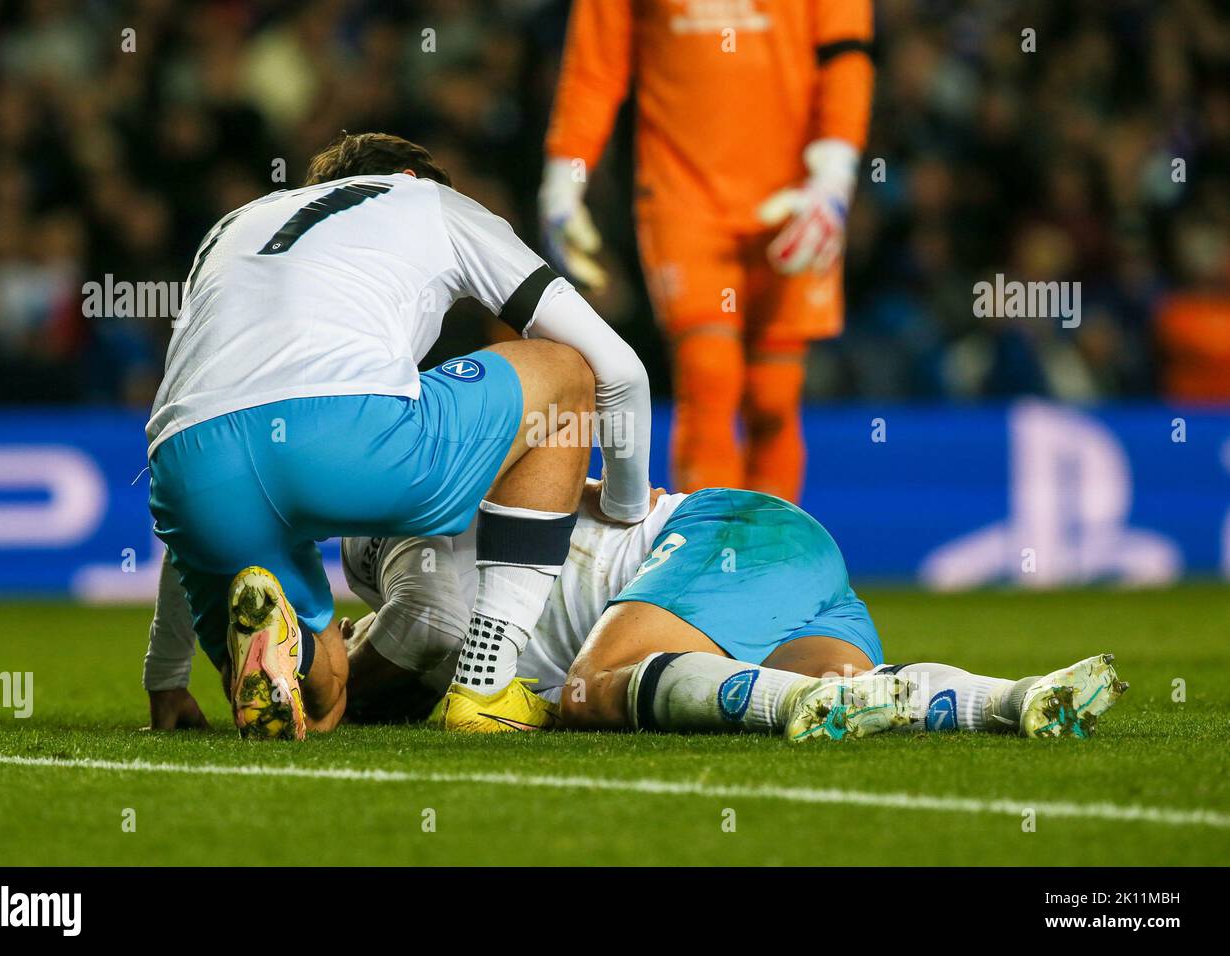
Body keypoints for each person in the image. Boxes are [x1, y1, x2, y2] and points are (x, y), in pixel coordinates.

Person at [147, 132, 652, 740]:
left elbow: (192, 411)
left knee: (325, 692)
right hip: (347, 437)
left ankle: (291, 655)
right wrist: (625, 506)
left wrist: (167, 674)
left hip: (190, 468)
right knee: (565, 371)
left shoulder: (229, 229)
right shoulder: (432, 203)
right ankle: (486, 686)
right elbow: (619, 369)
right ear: (415, 177)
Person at [146, 482, 1127, 741]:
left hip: (708, 540)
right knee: (857, 690)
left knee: (585, 693)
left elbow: (416, 634)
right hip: (773, 552)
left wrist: (319, 679)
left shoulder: (413, 544)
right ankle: (1015, 697)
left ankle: (787, 708)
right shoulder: (442, 502)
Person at [540, 0, 874, 503]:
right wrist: (563, 182)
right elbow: (596, 66)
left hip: (794, 195)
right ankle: (712, 564)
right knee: (709, 376)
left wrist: (834, 176)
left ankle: (770, 564)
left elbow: (845, 54)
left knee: (774, 398)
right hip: (683, 198)